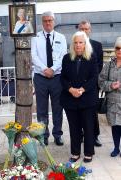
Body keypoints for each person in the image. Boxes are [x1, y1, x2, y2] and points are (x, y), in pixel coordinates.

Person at [60, 31, 98, 163]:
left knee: (88, 127)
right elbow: (63, 78)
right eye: (75, 42)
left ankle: (88, 152)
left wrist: (82, 90)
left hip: (87, 98)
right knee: (74, 127)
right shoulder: (66, 58)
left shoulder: (92, 57)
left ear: (85, 43)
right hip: (70, 98)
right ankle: (75, 152)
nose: (78, 45)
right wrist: (71, 89)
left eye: (80, 42)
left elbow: (94, 78)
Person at [31, 11, 67, 146]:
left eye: (50, 20)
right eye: (45, 21)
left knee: (58, 107)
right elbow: (34, 56)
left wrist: (52, 69)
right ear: (42, 22)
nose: (47, 23)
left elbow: (63, 55)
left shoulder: (61, 37)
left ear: (54, 21)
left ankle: (57, 134)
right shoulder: (35, 37)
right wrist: (45, 69)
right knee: (41, 109)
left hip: (57, 77)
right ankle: (43, 135)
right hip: (41, 77)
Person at [78, 20, 103, 147]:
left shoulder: (97, 46)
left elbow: (99, 66)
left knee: (93, 112)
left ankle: (95, 136)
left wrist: (90, 82)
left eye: (86, 29)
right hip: (78, 86)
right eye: (81, 29)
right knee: (80, 111)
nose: (84, 31)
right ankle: (82, 135)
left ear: (90, 30)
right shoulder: (75, 45)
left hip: (92, 86)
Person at [99, 37, 121, 157]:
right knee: (115, 126)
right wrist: (111, 85)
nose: (119, 50)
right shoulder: (109, 65)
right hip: (112, 102)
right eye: (117, 48)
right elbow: (101, 81)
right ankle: (116, 148)